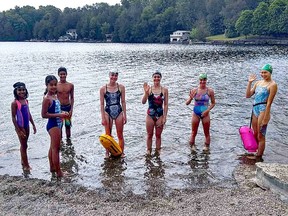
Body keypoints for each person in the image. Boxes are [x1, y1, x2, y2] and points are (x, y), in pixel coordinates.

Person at [246, 64, 277, 158]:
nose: (263, 74)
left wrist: (266, 117)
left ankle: (259, 157)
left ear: (270, 73)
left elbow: (269, 103)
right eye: (262, 72)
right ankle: (255, 152)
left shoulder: (273, 85)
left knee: (261, 135)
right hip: (255, 108)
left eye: (265, 72)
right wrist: (250, 83)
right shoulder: (258, 83)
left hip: (263, 110)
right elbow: (248, 95)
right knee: (255, 133)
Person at [42, 75, 69, 178]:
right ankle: (59, 172)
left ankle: (52, 167)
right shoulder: (47, 99)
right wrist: (59, 115)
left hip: (58, 123)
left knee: (52, 147)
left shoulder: (54, 96)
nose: (53, 87)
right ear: (46, 85)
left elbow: (55, 110)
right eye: (51, 85)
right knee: (56, 149)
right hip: (53, 125)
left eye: (55, 84)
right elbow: (44, 115)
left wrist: (62, 112)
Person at [185, 73, 215, 152]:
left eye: (204, 80)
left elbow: (213, 103)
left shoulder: (210, 91)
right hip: (196, 114)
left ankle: (206, 147)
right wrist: (190, 98)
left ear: (206, 80)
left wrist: (207, 110)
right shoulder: (194, 90)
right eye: (201, 80)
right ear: (199, 80)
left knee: (206, 133)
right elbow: (186, 103)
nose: (202, 82)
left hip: (206, 114)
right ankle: (192, 147)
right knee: (193, 132)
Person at [100, 71, 127, 158]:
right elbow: (101, 104)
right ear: (109, 76)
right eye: (112, 75)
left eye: (116, 75)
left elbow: (123, 101)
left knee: (120, 134)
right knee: (108, 135)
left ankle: (122, 152)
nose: (114, 77)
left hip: (119, 111)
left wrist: (125, 115)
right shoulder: (103, 88)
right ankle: (107, 153)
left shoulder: (121, 87)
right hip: (108, 111)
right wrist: (103, 117)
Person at [11, 82, 37, 171]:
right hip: (20, 126)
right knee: (23, 144)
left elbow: (28, 114)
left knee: (25, 145)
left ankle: (23, 160)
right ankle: (26, 166)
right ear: (16, 91)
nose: (21, 92)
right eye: (19, 90)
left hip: (27, 125)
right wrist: (18, 130)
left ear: (26, 91)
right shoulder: (15, 103)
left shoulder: (26, 101)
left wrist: (33, 124)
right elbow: (13, 117)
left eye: (23, 90)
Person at [142, 70, 168, 156]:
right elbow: (143, 102)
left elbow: (166, 104)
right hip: (150, 115)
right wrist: (146, 93)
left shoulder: (164, 90)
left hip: (160, 115)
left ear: (160, 78)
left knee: (158, 135)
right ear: (152, 78)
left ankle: (158, 151)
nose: (156, 78)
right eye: (155, 77)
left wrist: (164, 117)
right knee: (149, 135)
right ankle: (148, 150)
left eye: (158, 77)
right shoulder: (149, 89)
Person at [57, 67, 74, 139]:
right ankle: (61, 143)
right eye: (61, 74)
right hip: (59, 108)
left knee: (68, 126)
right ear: (58, 75)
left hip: (67, 107)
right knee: (59, 126)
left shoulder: (70, 85)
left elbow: (72, 97)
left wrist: (71, 109)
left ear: (66, 74)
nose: (62, 76)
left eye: (64, 74)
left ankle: (69, 142)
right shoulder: (56, 85)